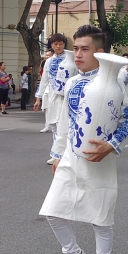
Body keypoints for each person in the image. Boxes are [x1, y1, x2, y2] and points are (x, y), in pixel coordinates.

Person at [39, 24, 128, 254]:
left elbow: (127, 119)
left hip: (100, 157)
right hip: (71, 155)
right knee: (53, 211)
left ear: (100, 52)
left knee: (100, 218)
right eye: (76, 48)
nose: (77, 54)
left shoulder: (116, 82)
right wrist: (57, 155)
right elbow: (65, 124)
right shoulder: (72, 83)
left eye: (85, 49)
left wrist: (112, 145)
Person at [34, 34, 73, 164]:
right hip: (52, 96)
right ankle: (56, 154)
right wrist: (38, 98)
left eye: (61, 43)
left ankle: (66, 154)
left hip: (66, 97)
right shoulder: (49, 62)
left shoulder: (71, 59)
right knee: (54, 126)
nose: (58, 46)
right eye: (55, 44)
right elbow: (44, 79)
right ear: (51, 45)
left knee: (65, 126)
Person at [39, 48, 54, 133]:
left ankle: (54, 125)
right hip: (47, 88)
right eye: (46, 55)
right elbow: (43, 79)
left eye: (49, 55)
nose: (47, 57)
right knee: (47, 108)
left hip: (55, 89)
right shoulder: (45, 64)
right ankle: (47, 125)